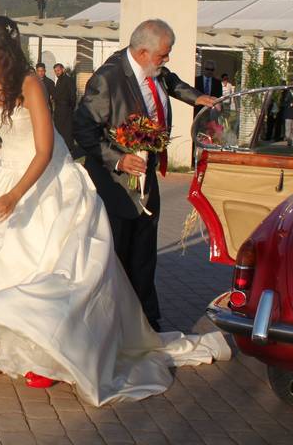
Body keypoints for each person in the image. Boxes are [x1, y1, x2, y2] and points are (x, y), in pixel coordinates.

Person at [0, 16, 229, 406]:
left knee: (46, 268)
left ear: (9, 54)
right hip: (5, 173)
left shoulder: (30, 84)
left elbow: (45, 151)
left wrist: (15, 197)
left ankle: (45, 356)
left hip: (48, 177)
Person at [73, 19, 216, 331]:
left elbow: (172, 82)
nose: (166, 61)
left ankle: (146, 320)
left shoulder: (155, 71)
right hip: (115, 183)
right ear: (141, 52)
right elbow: (83, 128)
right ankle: (110, 323)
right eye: (162, 56)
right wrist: (119, 159)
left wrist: (198, 99)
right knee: (118, 253)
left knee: (144, 250)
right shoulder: (108, 79)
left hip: (146, 176)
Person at [51, 62, 76, 151]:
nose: (57, 72)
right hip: (58, 108)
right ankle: (61, 147)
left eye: (58, 70)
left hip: (66, 108)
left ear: (63, 70)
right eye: (55, 71)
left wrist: (70, 108)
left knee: (67, 129)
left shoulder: (69, 80)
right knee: (59, 128)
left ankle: (69, 148)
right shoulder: (58, 81)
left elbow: (73, 95)